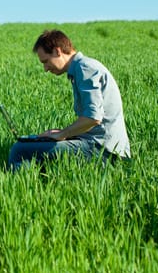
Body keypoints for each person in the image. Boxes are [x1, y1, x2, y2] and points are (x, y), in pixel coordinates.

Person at [8, 29, 131, 171]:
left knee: (21, 150)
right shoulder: (81, 68)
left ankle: (19, 188)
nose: (45, 69)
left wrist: (62, 134)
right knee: (36, 146)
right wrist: (60, 134)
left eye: (46, 61)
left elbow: (93, 118)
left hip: (105, 151)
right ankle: (37, 185)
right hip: (98, 144)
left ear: (57, 51)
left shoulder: (85, 68)